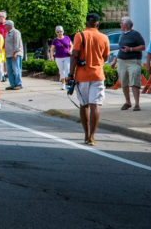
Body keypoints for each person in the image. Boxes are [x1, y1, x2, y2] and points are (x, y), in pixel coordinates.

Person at [70, 12, 111, 145]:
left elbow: (75, 55)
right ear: (97, 23)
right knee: (95, 105)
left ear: (86, 22)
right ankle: (92, 136)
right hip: (98, 74)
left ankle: (86, 134)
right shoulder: (104, 37)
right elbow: (105, 57)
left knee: (84, 105)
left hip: (82, 75)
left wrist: (70, 74)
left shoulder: (79, 35)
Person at [115, 16, 145, 112]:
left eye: (121, 23)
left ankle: (137, 104)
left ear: (126, 25)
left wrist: (130, 49)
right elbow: (120, 49)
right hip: (122, 61)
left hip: (133, 61)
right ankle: (128, 102)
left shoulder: (136, 34)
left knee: (134, 82)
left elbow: (143, 46)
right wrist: (115, 60)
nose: (120, 24)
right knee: (124, 82)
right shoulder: (122, 35)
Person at [4, 20, 24, 90]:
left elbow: (17, 43)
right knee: (9, 71)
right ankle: (12, 84)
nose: (5, 26)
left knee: (16, 70)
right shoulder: (8, 33)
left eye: (6, 25)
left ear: (10, 25)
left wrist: (15, 53)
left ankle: (18, 84)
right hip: (8, 55)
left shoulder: (16, 32)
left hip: (15, 54)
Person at [51, 26, 72, 90]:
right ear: (56, 33)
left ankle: (68, 83)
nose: (60, 33)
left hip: (67, 56)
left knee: (67, 70)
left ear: (63, 31)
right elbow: (52, 49)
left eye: (61, 31)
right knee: (61, 71)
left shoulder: (67, 38)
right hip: (58, 57)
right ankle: (63, 84)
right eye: (58, 32)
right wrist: (51, 56)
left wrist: (70, 51)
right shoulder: (55, 40)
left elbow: (71, 45)